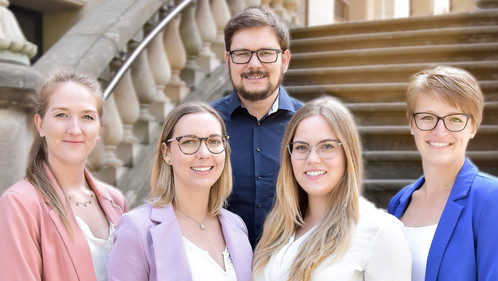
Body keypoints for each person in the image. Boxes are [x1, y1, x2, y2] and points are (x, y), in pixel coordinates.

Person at [253, 96, 412, 281]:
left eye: (327, 146)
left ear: (348, 154)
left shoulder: (380, 231)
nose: (312, 158)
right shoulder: (277, 227)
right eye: (302, 147)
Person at [0, 69, 128, 280]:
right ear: (40, 124)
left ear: (99, 130)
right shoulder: (19, 204)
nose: (75, 129)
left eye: (87, 117)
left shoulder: (115, 201)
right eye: (62, 115)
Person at [107, 103, 253, 281]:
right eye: (189, 142)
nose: (204, 153)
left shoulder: (236, 225)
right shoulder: (137, 228)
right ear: (166, 152)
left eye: (214, 141)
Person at [388, 66, 498, 281]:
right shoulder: (399, 202)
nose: (440, 131)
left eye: (455, 119)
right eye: (428, 117)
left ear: (473, 127)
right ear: (412, 124)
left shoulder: (491, 199)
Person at [211, 5, 303, 248]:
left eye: (265, 53)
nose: (254, 64)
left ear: (284, 60)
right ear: (228, 60)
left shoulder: (310, 124)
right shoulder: (204, 124)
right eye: (242, 53)